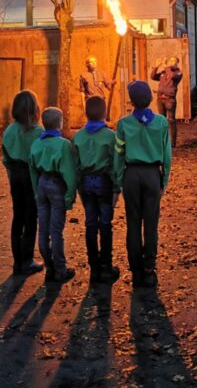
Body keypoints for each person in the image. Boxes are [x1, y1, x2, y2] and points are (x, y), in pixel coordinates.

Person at [114, 81, 172, 288]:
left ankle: (135, 266)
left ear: (131, 101)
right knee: (151, 223)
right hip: (152, 175)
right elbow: (167, 154)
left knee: (133, 222)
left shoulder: (123, 124)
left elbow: (119, 154)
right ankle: (149, 266)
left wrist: (119, 178)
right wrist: (163, 180)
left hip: (131, 174)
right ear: (149, 99)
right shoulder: (161, 123)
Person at [73, 96, 120, 283]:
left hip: (86, 182)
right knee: (106, 224)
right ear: (104, 113)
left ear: (86, 113)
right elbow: (116, 164)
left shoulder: (78, 136)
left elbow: (76, 165)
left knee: (90, 224)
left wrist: (79, 188)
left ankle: (93, 268)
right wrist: (117, 187)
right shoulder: (111, 136)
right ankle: (106, 267)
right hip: (104, 182)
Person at [28, 107, 77, 283]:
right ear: (60, 123)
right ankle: (60, 269)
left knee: (43, 228)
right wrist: (70, 195)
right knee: (56, 231)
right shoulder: (63, 145)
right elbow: (69, 173)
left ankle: (49, 267)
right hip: (57, 185)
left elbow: (32, 170)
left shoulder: (36, 144)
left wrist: (36, 191)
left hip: (41, 184)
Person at [2, 90, 45, 277]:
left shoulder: (10, 130)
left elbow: (5, 157)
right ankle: (27, 260)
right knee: (31, 218)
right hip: (32, 177)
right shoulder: (39, 132)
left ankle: (17, 262)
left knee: (17, 217)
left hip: (15, 176)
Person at [150, 57, 183, 147]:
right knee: (162, 120)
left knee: (171, 121)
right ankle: (162, 141)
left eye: (174, 61)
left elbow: (172, 76)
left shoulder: (178, 72)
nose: (172, 62)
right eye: (170, 61)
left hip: (170, 99)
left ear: (177, 64)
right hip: (160, 99)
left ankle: (173, 143)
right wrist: (156, 67)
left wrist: (165, 66)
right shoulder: (164, 72)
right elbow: (152, 77)